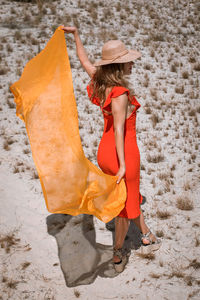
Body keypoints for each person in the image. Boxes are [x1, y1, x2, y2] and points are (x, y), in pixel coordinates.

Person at [61, 26, 161, 273]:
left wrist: (75, 34)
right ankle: (118, 252)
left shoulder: (99, 81)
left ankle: (146, 234)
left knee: (130, 196)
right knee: (124, 208)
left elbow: (84, 60)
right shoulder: (120, 93)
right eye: (127, 62)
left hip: (104, 152)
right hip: (122, 152)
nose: (132, 65)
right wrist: (124, 164)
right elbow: (119, 129)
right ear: (118, 66)